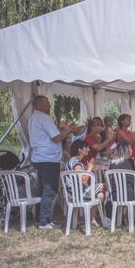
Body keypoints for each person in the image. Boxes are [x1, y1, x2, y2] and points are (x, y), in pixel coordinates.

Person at [28, 95, 82, 229]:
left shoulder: (33, 118)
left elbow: (52, 135)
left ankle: (39, 218)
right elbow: (56, 138)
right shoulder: (44, 118)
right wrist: (69, 131)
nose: (50, 106)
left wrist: (64, 130)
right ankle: (44, 221)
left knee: (41, 189)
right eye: (47, 103)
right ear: (39, 105)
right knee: (49, 189)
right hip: (49, 159)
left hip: (39, 157)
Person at [65, 139, 108, 227]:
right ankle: (101, 216)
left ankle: (89, 220)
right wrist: (89, 168)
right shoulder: (76, 163)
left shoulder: (74, 161)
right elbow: (83, 180)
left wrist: (94, 166)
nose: (88, 149)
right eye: (86, 147)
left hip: (75, 193)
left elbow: (88, 169)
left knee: (100, 196)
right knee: (104, 186)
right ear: (79, 150)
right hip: (77, 194)